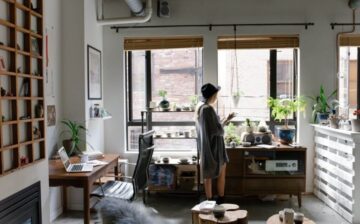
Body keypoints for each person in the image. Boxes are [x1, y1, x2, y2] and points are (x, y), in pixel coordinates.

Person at [195, 83, 235, 204]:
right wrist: (225, 123)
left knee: (208, 174)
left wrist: (226, 119)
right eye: (216, 94)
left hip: (208, 146)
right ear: (213, 95)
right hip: (214, 147)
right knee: (219, 174)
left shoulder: (201, 107)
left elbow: (213, 128)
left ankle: (210, 201)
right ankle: (218, 200)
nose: (217, 96)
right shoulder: (208, 109)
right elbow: (218, 130)